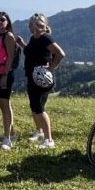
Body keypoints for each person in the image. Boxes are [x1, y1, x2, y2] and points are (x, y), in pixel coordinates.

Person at [24, 13, 65, 149]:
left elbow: (60, 54)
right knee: (34, 106)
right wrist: (21, 45)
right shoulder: (33, 39)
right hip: (32, 77)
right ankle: (39, 131)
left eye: (35, 24)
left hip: (42, 79)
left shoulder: (45, 38)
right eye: (31, 24)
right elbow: (30, 53)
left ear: (42, 26)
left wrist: (51, 68)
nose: (32, 26)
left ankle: (49, 140)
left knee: (40, 108)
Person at [0, 11, 24, 150]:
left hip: (4, 74)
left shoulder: (8, 36)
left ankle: (7, 139)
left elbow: (10, 57)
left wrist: (4, 75)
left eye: (2, 19)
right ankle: (11, 133)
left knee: (4, 106)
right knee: (5, 104)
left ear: (7, 22)